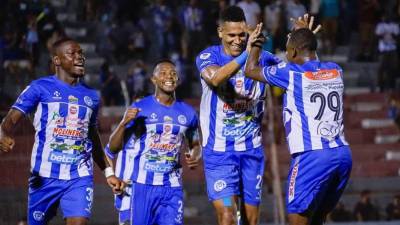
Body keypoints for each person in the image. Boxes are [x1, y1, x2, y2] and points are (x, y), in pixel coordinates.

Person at [0, 38, 124, 225]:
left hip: (79, 176)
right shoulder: (39, 88)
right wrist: (3, 133)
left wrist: (108, 172)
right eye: (72, 53)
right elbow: (10, 119)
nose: (79, 57)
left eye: (81, 53)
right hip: (43, 177)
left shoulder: (92, 96)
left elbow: (92, 137)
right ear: (57, 60)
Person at [244, 26, 352, 225]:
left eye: (287, 49)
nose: (286, 54)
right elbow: (313, 61)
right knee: (317, 218)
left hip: (311, 155)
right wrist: (304, 35)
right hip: (342, 154)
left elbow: (250, 70)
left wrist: (256, 44)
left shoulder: (291, 73)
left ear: (293, 51)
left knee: (296, 218)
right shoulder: (336, 70)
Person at [195, 5, 283, 225]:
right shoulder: (208, 56)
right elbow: (215, 79)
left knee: (250, 220)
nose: (237, 40)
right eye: (231, 35)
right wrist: (247, 54)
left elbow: (297, 71)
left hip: (251, 152)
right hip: (219, 155)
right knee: (227, 215)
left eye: (242, 35)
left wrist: (304, 43)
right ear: (220, 33)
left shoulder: (264, 58)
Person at [108, 59, 201, 225]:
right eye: (163, 73)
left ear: (178, 80)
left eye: (173, 73)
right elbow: (113, 147)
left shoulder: (188, 113)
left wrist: (195, 155)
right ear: (154, 79)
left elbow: (195, 143)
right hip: (143, 187)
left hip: (172, 187)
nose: (169, 77)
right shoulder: (141, 107)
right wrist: (123, 123)